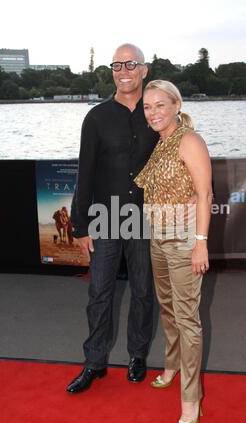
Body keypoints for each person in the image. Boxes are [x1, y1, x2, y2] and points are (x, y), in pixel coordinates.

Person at [66, 44, 158, 394]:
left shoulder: (157, 113)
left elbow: (177, 160)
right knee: (99, 293)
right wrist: (80, 225)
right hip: (104, 217)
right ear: (112, 71)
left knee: (143, 292)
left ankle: (137, 356)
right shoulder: (97, 117)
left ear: (143, 70)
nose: (124, 70)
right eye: (117, 64)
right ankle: (94, 362)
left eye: (130, 64)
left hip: (145, 218)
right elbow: (84, 172)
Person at [135, 80, 213, 423]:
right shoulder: (161, 142)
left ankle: (191, 397)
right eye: (148, 107)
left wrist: (200, 242)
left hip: (184, 242)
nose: (153, 112)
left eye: (160, 105)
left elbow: (205, 193)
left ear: (176, 105)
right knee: (166, 307)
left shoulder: (189, 140)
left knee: (187, 317)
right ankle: (170, 365)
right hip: (158, 238)